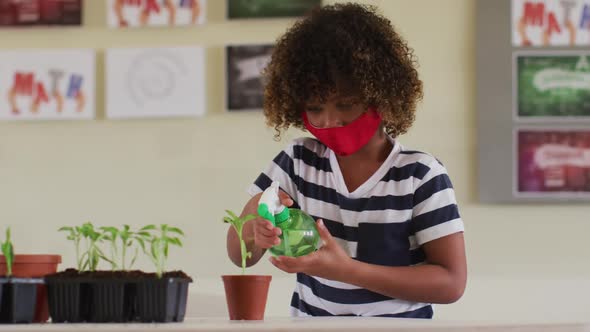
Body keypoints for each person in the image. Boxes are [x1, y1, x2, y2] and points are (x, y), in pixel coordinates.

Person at [226, 2, 466, 318]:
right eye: (314, 108)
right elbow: (239, 254)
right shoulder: (298, 162)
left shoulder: (419, 175)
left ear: (383, 96)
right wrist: (255, 229)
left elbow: (451, 283)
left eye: (346, 104)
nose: (328, 121)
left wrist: (346, 270)